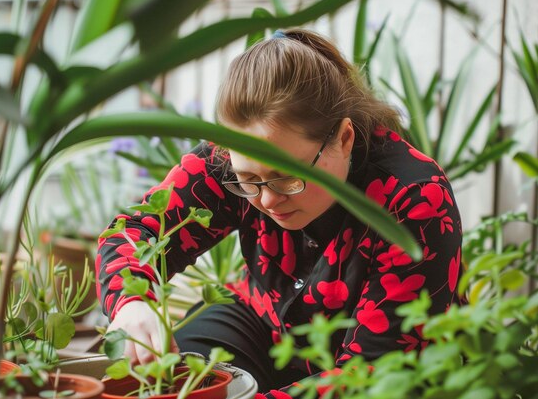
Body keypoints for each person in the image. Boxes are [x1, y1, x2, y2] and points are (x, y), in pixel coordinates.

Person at [97, 28, 463, 398]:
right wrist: (130, 303)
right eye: (247, 179)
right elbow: (134, 230)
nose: (268, 200)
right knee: (171, 383)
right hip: (261, 320)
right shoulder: (229, 154)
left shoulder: (414, 197)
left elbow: (374, 373)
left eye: (287, 178)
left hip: (362, 364)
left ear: (344, 138)